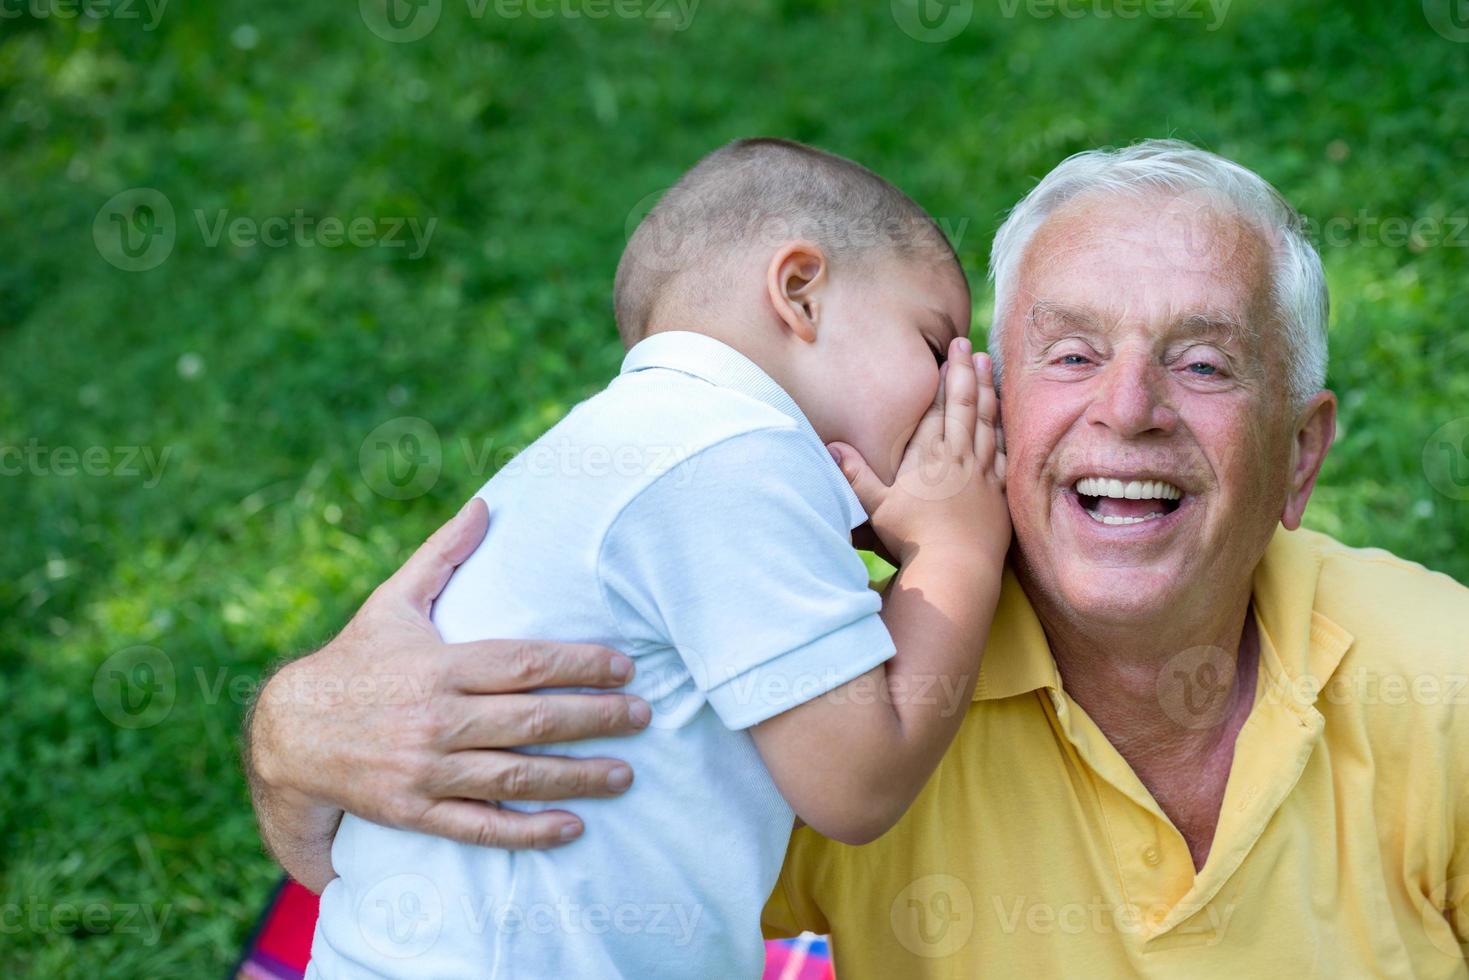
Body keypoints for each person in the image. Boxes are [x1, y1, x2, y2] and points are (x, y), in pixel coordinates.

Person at [249, 140, 1469, 977]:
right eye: (1068, 353)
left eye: (1202, 362)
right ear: (991, 403)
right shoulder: (837, 668)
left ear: (1298, 455)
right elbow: (498, 822)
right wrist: (292, 730)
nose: (1130, 407)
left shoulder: (1440, 678)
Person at [302, 137, 1009, 978]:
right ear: (799, 293)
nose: (957, 393)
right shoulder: (731, 453)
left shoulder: (644, 445)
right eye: (935, 346)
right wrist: (958, 544)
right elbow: (857, 783)